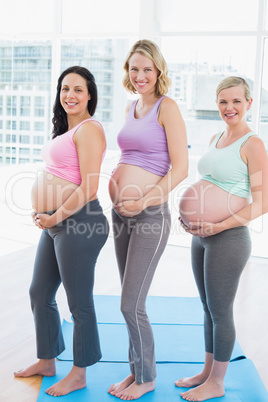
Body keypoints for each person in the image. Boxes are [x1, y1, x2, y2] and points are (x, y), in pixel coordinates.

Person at [14, 66, 109, 397]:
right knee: (39, 292)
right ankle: (47, 361)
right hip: (56, 222)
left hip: (80, 221)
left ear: (90, 95)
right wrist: (45, 210)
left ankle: (80, 374)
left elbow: (90, 187)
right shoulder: (64, 131)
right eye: (65, 88)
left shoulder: (89, 129)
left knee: (79, 302)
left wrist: (56, 216)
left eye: (78, 89)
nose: (70, 95)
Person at [177, 76, 268, 401]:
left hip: (229, 238)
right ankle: (206, 372)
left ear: (248, 104)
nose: (229, 108)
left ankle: (217, 383)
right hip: (201, 236)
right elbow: (210, 182)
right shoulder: (217, 137)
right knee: (206, 307)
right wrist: (189, 215)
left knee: (220, 309)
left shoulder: (253, 144)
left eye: (236, 101)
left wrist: (218, 225)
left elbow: (263, 201)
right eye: (223, 102)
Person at [107, 39, 188, 400]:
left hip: (150, 215)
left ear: (159, 72)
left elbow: (181, 167)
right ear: (128, 71)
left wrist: (145, 200)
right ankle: (135, 370)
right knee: (128, 297)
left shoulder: (166, 107)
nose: (140, 75)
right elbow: (129, 155)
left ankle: (148, 377)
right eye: (134, 68)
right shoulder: (130, 107)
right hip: (121, 215)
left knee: (130, 304)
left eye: (147, 69)